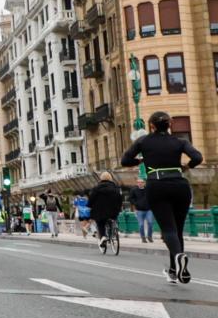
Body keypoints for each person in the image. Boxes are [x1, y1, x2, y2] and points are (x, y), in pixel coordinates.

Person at [122, 111, 204, 283]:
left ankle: (178, 258)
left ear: (151, 125)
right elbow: (197, 157)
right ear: (170, 123)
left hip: (157, 185)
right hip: (180, 184)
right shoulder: (180, 141)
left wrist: (141, 161)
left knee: (168, 229)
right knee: (177, 229)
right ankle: (176, 271)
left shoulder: (143, 141)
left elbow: (125, 160)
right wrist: (186, 167)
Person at [86, 171, 124, 249]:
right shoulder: (116, 188)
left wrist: (89, 206)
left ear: (101, 178)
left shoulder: (96, 188)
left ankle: (103, 237)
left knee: (100, 223)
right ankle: (114, 233)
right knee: (112, 219)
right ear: (110, 178)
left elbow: (91, 198)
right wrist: (119, 208)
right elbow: (120, 199)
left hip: (100, 211)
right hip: (113, 210)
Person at [128, 179, 153, 243]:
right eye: (139, 182)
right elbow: (130, 198)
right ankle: (143, 237)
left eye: (142, 182)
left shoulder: (148, 190)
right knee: (141, 225)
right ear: (137, 183)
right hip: (139, 210)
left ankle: (149, 236)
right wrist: (136, 204)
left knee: (150, 223)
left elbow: (152, 197)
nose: (140, 183)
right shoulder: (134, 190)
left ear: (144, 183)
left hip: (148, 210)